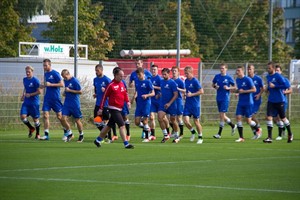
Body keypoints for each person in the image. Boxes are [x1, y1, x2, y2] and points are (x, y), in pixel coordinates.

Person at [94, 67, 134, 149]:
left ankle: (98, 140)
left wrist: (128, 102)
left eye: (123, 76)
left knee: (108, 126)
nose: (122, 77)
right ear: (115, 75)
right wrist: (101, 108)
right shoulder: (111, 85)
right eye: (120, 76)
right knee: (122, 125)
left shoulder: (122, 84)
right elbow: (104, 97)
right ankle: (126, 144)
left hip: (120, 108)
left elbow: (125, 94)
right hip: (113, 108)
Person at [263, 61, 293, 143]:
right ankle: (269, 137)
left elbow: (286, 86)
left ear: (273, 68)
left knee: (283, 118)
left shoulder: (278, 76)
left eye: (269, 68)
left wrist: (275, 86)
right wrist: (267, 89)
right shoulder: (268, 77)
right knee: (269, 116)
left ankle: (290, 134)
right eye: (267, 68)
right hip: (271, 100)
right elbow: (269, 87)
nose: (268, 69)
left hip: (279, 100)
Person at [229, 66, 261, 142]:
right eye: (237, 71)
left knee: (248, 121)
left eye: (239, 71)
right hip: (241, 102)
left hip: (248, 102)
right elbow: (240, 90)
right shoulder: (237, 80)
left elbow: (254, 89)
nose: (237, 72)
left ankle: (258, 129)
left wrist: (244, 91)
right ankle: (241, 137)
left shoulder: (248, 79)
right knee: (238, 117)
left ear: (243, 71)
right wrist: (234, 91)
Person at [40, 59, 64, 140]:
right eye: (43, 65)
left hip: (55, 98)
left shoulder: (55, 73)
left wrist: (51, 84)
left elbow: (62, 84)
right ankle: (46, 135)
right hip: (47, 98)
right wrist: (43, 86)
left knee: (60, 116)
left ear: (50, 65)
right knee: (45, 115)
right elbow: (47, 84)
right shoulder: (46, 74)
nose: (44, 67)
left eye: (45, 65)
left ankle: (67, 132)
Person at [212, 63, 237, 139]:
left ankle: (219, 133)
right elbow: (213, 84)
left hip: (225, 98)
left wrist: (228, 88)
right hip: (218, 98)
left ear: (226, 69)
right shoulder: (217, 76)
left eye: (223, 68)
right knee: (222, 115)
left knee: (222, 115)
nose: (221, 70)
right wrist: (215, 86)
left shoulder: (229, 77)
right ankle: (233, 125)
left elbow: (235, 87)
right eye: (221, 68)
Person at [93, 64, 116, 142]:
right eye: (95, 71)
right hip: (98, 103)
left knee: (105, 122)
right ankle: (104, 134)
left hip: (105, 104)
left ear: (101, 70)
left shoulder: (107, 79)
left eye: (98, 71)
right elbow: (96, 88)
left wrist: (106, 90)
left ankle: (109, 138)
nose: (96, 72)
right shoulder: (95, 79)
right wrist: (96, 94)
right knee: (96, 121)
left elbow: (112, 91)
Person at [131, 67, 155, 142]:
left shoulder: (148, 82)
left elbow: (153, 93)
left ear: (143, 74)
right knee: (137, 122)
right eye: (137, 75)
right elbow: (137, 91)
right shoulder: (137, 81)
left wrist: (146, 95)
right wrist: (133, 98)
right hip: (139, 104)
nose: (139, 76)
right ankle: (148, 129)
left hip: (146, 103)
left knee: (145, 121)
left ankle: (147, 137)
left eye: (140, 74)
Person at [60, 69, 84, 142]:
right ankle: (70, 133)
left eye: (65, 77)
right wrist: (65, 92)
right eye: (63, 77)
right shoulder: (65, 81)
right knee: (62, 118)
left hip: (75, 103)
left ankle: (81, 135)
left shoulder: (75, 81)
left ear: (68, 74)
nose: (64, 79)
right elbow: (67, 89)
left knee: (77, 120)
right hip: (67, 103)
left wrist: (70, 90)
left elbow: (80, 91)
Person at [183, 66, 204, 144]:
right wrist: (185, 94)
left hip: (195, 105)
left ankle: (200, 137)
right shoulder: (186, 81)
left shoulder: (195, 81)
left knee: (196, 122)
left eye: (187, 73)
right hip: (188, 104)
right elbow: (187, 91)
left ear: (191, 72)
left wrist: (192, 94)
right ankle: (192, 132)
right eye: (185, 73)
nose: (185, 74)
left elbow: (201, 91)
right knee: (185, 120)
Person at [158, 68, 179, 143]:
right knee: (160, 117)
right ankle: (166, 135)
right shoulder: (161, 82)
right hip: (163, 103)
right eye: (162, 74)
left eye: (165, 74)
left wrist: (169, 103)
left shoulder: (172, 83)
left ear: (168, 74)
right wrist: (159, 95)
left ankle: (176, 136)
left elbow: (176, 94)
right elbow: (163, 91)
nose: (163, 76)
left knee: (173, 120)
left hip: (172, 104)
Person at [20, 66, 41, 139]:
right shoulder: (24, 79)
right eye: (26, 72)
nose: (27, 73)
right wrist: (23, 95)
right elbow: (25, 88)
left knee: (35, 119)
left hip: (34, 103)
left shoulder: (36, 80)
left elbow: (39, 91)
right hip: (26, 102)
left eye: (29, 72)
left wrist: (30, 94)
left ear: (32, 72)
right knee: (23, 116)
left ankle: (38, 134)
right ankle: (31, 128)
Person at [274, 65, 293, 141]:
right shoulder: (273, 80)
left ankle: (280, 135)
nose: (277, 72)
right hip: (274, 101)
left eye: (278, 70)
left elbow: (290, 90)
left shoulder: (285, 80)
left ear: (281, 72)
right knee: (274, 118)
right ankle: (284, 129)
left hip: (283, 101)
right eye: (275, 70)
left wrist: (285, 91)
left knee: (280, 117)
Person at [247, 64, 264, 139]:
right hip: (248, 100)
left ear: (253, 70)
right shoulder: (246, 79)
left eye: (250, 69)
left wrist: (259, 95)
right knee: (248, 118)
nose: (249, 70)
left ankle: (258, 129)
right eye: (248, 69)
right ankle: (255, 133)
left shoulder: (258, 78)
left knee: (251, 116)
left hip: (256, 100)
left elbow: (263, 88)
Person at [149, 64, 163, 140]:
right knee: (151, 117)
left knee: (162, 118)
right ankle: (153, 134)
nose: (153, 71)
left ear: (157, 71)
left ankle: (167, 131)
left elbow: (162, 88)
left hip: (159, 100)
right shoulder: (149, 79)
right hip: (151, 100)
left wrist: (154, 87)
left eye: (155, 69)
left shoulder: (159, 79)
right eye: (152, 69)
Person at [171, 66, 185, 139]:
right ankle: (174, 130)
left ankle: (181, 133)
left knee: (179, 118)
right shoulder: (170, 80)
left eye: (175, 71)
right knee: (171, 118)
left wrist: (178, 89)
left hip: (178, 100)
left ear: (178, 72)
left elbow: (185, 90)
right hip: (171, 101)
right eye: (173, 71)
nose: (174, 72)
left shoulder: (180, 81)